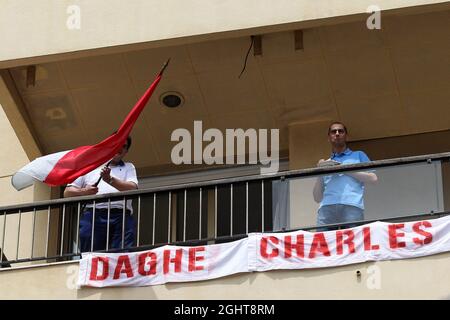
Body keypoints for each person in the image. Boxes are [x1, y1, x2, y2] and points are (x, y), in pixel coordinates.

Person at [64, 136, 138, 252]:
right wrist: (85, 192)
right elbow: (67, 193)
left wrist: (110, 179)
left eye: (124, 146)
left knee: (121, 255)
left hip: (121, 214)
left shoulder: (129, 167)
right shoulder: (88, 166)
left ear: (126, 151)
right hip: (94, 213)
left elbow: (132, 188)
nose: (120, 148)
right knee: (91, 253)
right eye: (117, 144)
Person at [313, 122, 377, 230]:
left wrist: (345, 169)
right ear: (329, 137)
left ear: (346, 136)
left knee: (353, 244)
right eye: (333, 132)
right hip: (327, 208)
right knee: (324, 245)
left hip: (351, 206)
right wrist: (320, 171)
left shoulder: (358, 155)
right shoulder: (327, 163)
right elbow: (317, 197)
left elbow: (373, 178)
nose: (337, 134)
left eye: (340, 131)